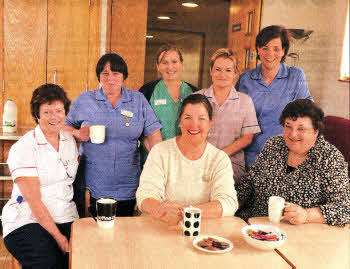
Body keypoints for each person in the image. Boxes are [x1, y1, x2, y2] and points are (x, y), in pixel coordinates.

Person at [65, 53, 162, 217]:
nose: (110, 78)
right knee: (94, 233)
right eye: (105, 73)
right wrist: (77, 133)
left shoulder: (137, 100)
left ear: (124, 76)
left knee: (124, 235)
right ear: (99, 76)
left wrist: (161, 167)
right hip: (92, 183)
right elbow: (63, 127)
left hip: (129, 183)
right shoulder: (85, 100)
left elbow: (153, 136)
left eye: (116, 73)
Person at [236, 99, 350, 226]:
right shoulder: (274, 145)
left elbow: (345, 207)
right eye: (288, 126)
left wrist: (307, 215)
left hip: (299, 233)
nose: (293, 134)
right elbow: (249, 182)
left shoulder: (329, 159)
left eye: (301, 129)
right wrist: (227, 203)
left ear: (315, 132)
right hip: (256, 224)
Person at [2, 84, 78, 268]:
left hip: (66, 216)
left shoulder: (69, 141)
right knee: (50, 263)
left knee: (87, 259)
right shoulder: (24, 148)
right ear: (37, 115)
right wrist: (60, 239)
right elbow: (35, 202)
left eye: (59, 110)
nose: (54, 117)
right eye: (47, 112)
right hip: (27, 220)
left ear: (65, 112)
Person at [136, 94, 238, 226]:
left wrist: (187, 212)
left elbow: (228, 202)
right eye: (187, 117)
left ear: (210, 122)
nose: (194, 125)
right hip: (160, 227)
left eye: (201, 118)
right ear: (180, 122)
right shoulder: (160, 152)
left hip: (202, 233)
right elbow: (145, 195)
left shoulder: (219, 159)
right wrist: (158, 209)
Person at [236, 25, 313, 166]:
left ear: (284, 51)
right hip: (249, 156)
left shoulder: (295, 76)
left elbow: (308, 114)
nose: (270, 53)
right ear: (258, 50)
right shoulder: (245, 78)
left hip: (284, 156)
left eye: (276, 49)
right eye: (265, 48)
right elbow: (234, 117)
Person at [196, 48, 260, 184]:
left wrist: (219, 156)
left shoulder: (245, 101)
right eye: (218, 69)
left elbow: (247, 137)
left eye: (228, 70)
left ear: (236, 74)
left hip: (231, 165)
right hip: (199, 162)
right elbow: (188, 132)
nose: (222, 75)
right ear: (211, 71)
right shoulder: (197, 98)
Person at [139, 44, 197, 141]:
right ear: (158, 66)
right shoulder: (147, 91)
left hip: (184, 153)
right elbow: (139, 128)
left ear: (181, 64)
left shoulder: (194, 92)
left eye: (174, 62)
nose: (170, 67)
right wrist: (155, 153)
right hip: (153, 152)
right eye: (164, 63)